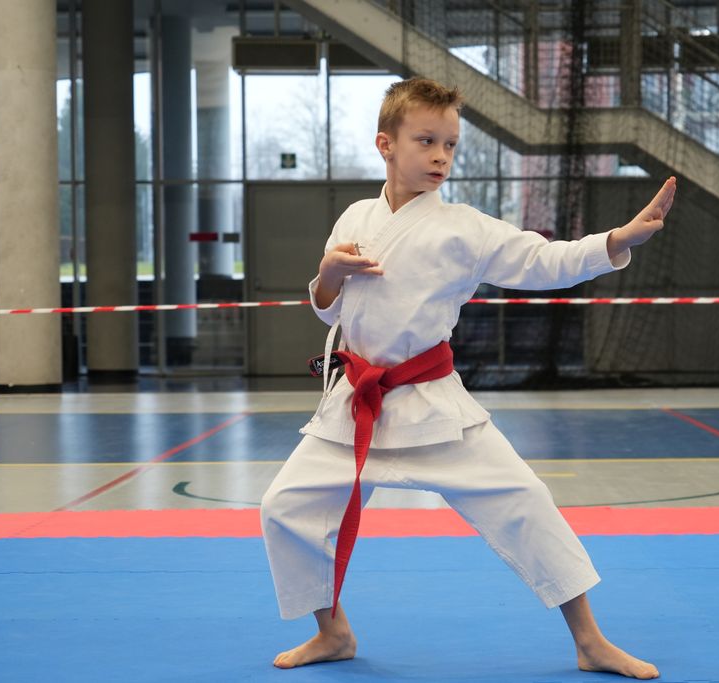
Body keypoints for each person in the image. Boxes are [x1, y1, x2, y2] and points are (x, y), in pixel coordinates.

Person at [260, 77, 676, 680]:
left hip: (430, 405)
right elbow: (330, 311)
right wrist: (327, 274)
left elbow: (543, 260)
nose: (440, 156)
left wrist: (616, 240)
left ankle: (589, 640)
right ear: (386, 144)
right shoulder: (355, 217)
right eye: (426, 141)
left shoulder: (463, 227)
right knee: (283, 507)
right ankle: (332, 631)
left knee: (525, 500)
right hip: (356, 405)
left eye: (450, 145)